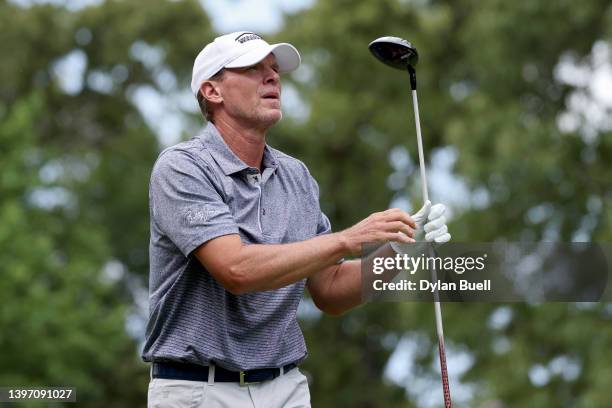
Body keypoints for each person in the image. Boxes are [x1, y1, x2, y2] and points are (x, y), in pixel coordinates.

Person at [142, 31, 450, 408]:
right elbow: (236, 270)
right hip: (197, 389)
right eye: (252, 69)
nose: (272, 78)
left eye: (273, 70)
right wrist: (346, 239)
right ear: (212, 92)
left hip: (285, 387)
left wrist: (402, 252)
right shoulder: (183, 167)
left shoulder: (296, 177)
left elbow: (331, 291)